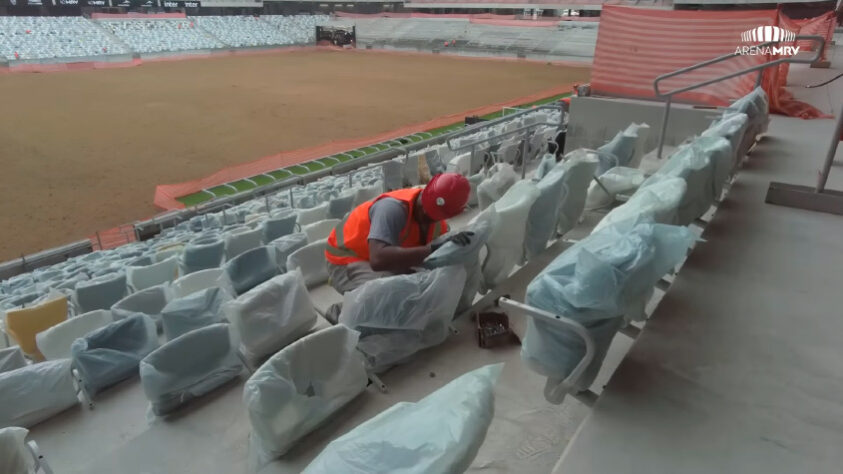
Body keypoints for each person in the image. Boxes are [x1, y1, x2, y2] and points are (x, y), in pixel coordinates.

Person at [325, 172, 474, 296]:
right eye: (424, 207)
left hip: (378, 256)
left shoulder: (438, 225)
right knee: (388, 292)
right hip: (344, 259)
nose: (424, 214)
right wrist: (432, 249)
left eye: (431, 215)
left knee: (423, 285)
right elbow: (378, 260)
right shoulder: (391, 209)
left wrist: (448, 247)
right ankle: (341, 313)